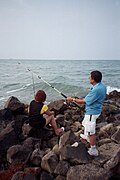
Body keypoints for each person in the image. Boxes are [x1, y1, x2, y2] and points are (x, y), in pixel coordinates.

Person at [67, 70, 106, 156]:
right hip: (95, 110)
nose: (89, 78)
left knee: (91, 131)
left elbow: (84, 101)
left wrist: (72, 99)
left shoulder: (96, 90)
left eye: (90, 77)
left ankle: (93, 149)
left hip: (92, 112)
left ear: (93, 80)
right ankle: (86, 135)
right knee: (85, 123)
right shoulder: (102, 86)